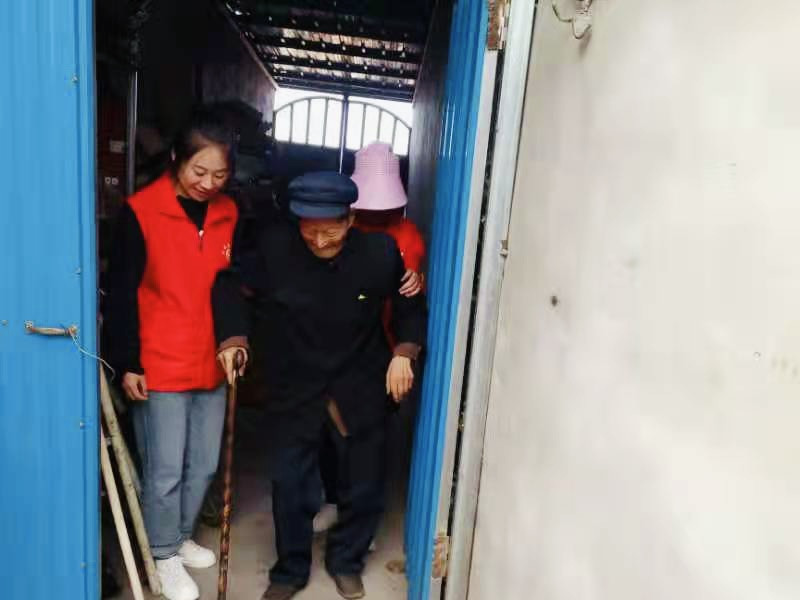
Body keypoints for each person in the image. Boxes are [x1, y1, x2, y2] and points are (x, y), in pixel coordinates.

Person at [212, 171, 427, 600]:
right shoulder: (274, 247)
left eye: (330, 231)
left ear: (351, 220)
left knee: (363, 483)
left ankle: (346, 561)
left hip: (359, 380)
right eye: (309, 230)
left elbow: (411, 306)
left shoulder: (380, 253)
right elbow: (229, 286)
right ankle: (290, 571)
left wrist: (404, 352)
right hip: (294, 379)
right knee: (289, 483)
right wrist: (233, 338)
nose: (319, 240)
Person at [105, 107, 238, 600]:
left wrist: (235, 340)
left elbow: (230, 285)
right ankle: (161, 554)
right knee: (163, 469)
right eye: (199, 171)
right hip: (158, 362)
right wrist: (127, 362)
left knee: (203, 465)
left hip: (210, 363)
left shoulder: (229, 213)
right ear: (177, 159)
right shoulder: (141, 211)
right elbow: (121, 292)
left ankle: (179, 537)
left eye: (220, 175)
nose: (209, 184)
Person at [314, 141, 426, 534]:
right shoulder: (340, 228)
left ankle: (361, 520)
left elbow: (409, 298)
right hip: (336, 347)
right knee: (328, 433)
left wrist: (402, 352)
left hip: (385, 351)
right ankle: (334, 500)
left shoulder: (408, 237)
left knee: (368, 442)